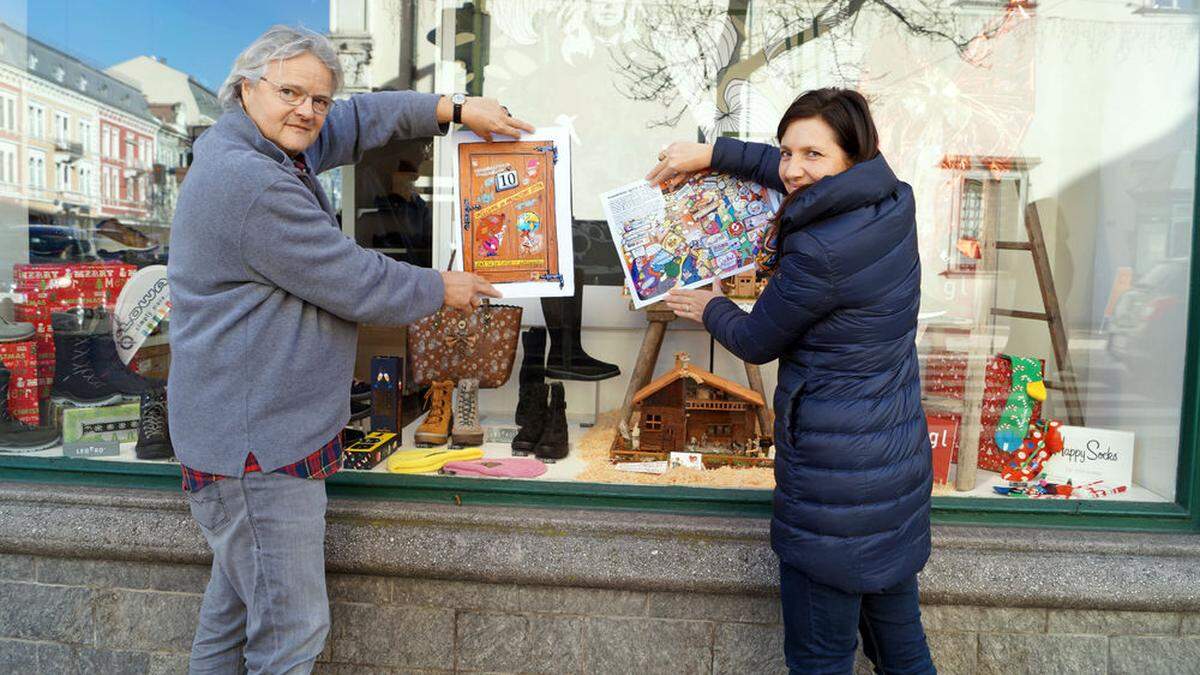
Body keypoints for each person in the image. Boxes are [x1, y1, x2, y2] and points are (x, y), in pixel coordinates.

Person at [168, 25, 532, 674]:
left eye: (319, 99)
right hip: (258, 455)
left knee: (228, 627)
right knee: (291, 637)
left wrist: (452, 109)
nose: (308, 110)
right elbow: (352, 281)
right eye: (291, 92)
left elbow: (360, 117)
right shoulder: (252, 181)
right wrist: (443, 285)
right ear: (246, 86)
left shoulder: (272, 141)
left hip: (243, 442)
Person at [656, 88, 935, 674]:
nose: (792, 169)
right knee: (901, 650)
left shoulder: (820, 251)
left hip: (834, 490)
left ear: (851, 158)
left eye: (813, 154)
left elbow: (758, 340)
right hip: (891, 472)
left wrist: (708, 307)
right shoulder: (892, 201)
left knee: (819, 659)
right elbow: (799, 176)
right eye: (787, 152)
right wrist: (714, 154)